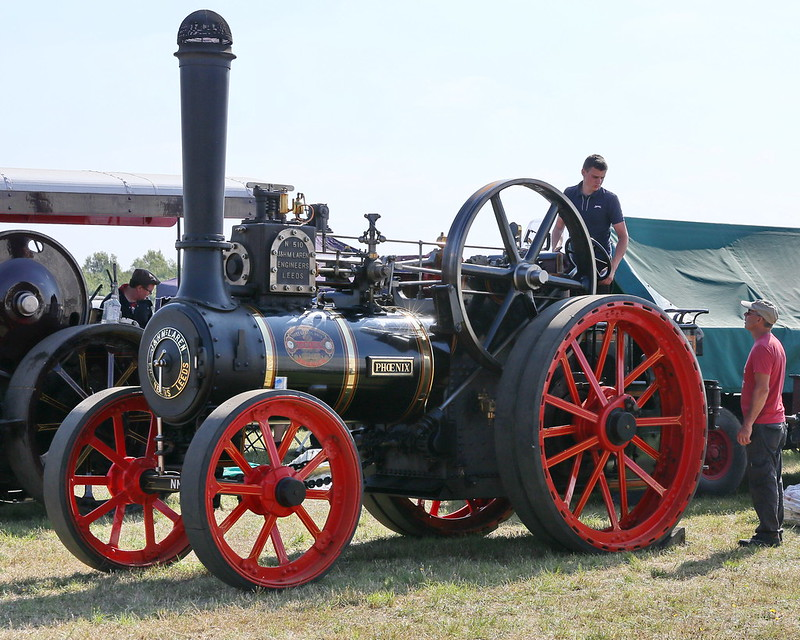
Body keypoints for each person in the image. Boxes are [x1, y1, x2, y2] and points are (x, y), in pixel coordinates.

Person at [737, 298, 787, 548]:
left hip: (764, 424)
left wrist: (747, 425)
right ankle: (774, 529)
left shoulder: (762, 348)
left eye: (750, 312)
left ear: (759, 319)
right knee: (772, 477)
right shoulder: (773, 344)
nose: (745, 314)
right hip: (774, 422)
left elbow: (762, 389)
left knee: (762, 479)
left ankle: (768, 534)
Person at [551, 154, 629, 291]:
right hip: (573, 266)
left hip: (600, 271)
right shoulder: (569, 194)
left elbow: (623, 236)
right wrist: (556, 251)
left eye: (602, 178)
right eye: (595, 177)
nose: (598, 181)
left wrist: (612, 269)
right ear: (583, 172)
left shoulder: (610, 199)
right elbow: (558, 227)